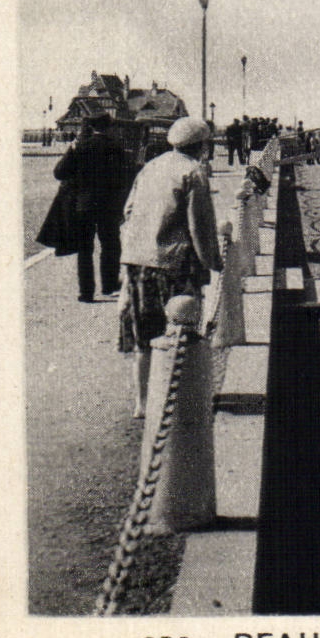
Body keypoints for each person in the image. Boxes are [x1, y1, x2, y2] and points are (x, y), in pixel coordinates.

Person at [118, 116, 223, 418]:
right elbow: (200, 226)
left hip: (138, 261)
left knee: (143, 335)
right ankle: (182, 398)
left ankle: (142, 403)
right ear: (202, 145)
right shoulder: (193, 172)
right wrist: (213, 261)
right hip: (174, 263)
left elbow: (128, 212)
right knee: (180, 331)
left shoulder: (151, 167)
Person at [52, 113, 136, 302]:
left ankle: (86, 292)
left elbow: (59, 173)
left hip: (84, 206)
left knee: (84, 249)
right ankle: (109, 285)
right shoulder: (116, 148)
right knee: (111, 245)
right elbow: (126, 179)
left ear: (90, 127)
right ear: (109, 127)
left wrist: (71, 150)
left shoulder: (80, 147)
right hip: (109, 206)